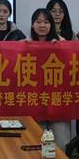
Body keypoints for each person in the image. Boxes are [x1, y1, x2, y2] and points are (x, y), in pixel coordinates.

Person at [27, 8, 69, 147]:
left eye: (46, 22)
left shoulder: (62, 43)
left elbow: (71, 69)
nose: (42, 25)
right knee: (37, 144)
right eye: (38, 22)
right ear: (32, 24)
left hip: (57, 101)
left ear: (51, 24)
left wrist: (60, 49)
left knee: (61, 144)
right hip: (35, 101)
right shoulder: (25, 44)